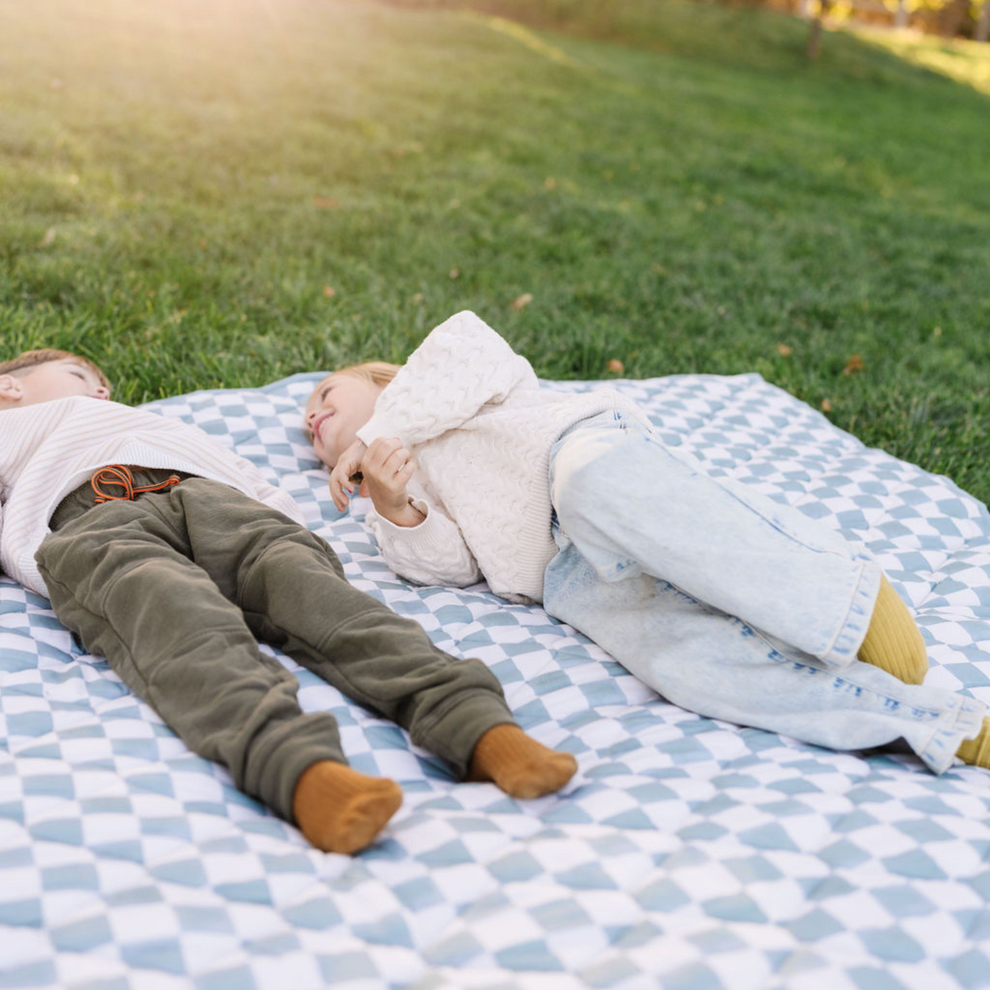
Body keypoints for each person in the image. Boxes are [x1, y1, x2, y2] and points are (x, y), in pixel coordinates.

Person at [305, 310, 990, 775]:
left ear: (373, 377)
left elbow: (471, 347)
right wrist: (398, 509)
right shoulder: (383, 496)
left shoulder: (434, 377)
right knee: (687, 663)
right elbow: (452, 568)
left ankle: (848, 605)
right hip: (564, 574)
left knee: (607, 496)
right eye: (310, 427)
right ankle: (939, 725)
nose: (311, 417)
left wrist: (374, 432)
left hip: (573, 458)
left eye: (323, 394)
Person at [0, 348, 578, 855]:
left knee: (323, 601)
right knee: (178, 622)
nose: (101, 389)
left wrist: (287, 532)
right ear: (11, 387)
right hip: (92, 523)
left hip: (211, 499)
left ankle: (478, 728)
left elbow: (240, 473)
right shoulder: (33, 423)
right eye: (80, 374)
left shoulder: (140, 419)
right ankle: (304, 775)